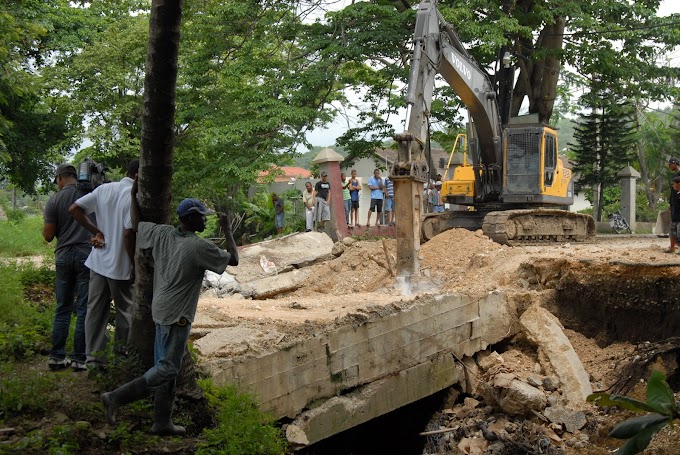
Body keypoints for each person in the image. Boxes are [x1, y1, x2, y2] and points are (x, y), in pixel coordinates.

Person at [101, 182, 239, 435]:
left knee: (165, 368)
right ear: (190, 218)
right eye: (202, 217)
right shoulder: (199, 247)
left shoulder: (163, 233)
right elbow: (234, 260)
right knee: (167, 368)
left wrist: (134, 196)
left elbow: (138, 223)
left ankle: (162, 422)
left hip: (160, 310)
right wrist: (228, 229)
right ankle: (116, 398)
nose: (205, 222)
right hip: (177, 316)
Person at [69, 159, 138, 368]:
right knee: (125, 312)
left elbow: (74, 209)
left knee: (96, 311)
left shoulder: (104, 189)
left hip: (98, 263)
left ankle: (94, 359)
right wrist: (134, 264)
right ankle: (121, 358)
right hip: (120, 266)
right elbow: (127, 235)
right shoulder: (132, 197)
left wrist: (96, 231)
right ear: (138, 176)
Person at [43, 163, 92, 371]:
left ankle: (56, 356)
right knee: (83, 309)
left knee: (62, 308)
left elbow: (48, 236)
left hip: (63, 256)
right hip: (85, 256)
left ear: (60, 178)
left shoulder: (54, 200)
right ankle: (80, 359)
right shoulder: (90, 194)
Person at [666, 157, 680, 253]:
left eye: (670, 164)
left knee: (677, 227)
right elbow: (673, 193)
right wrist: (671, 204)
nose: (669, 166)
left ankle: (673, 247)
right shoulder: (676, 176)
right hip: (675, 204)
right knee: (673, 226)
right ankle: (672, 247)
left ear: (674, 163)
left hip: (678, 204)